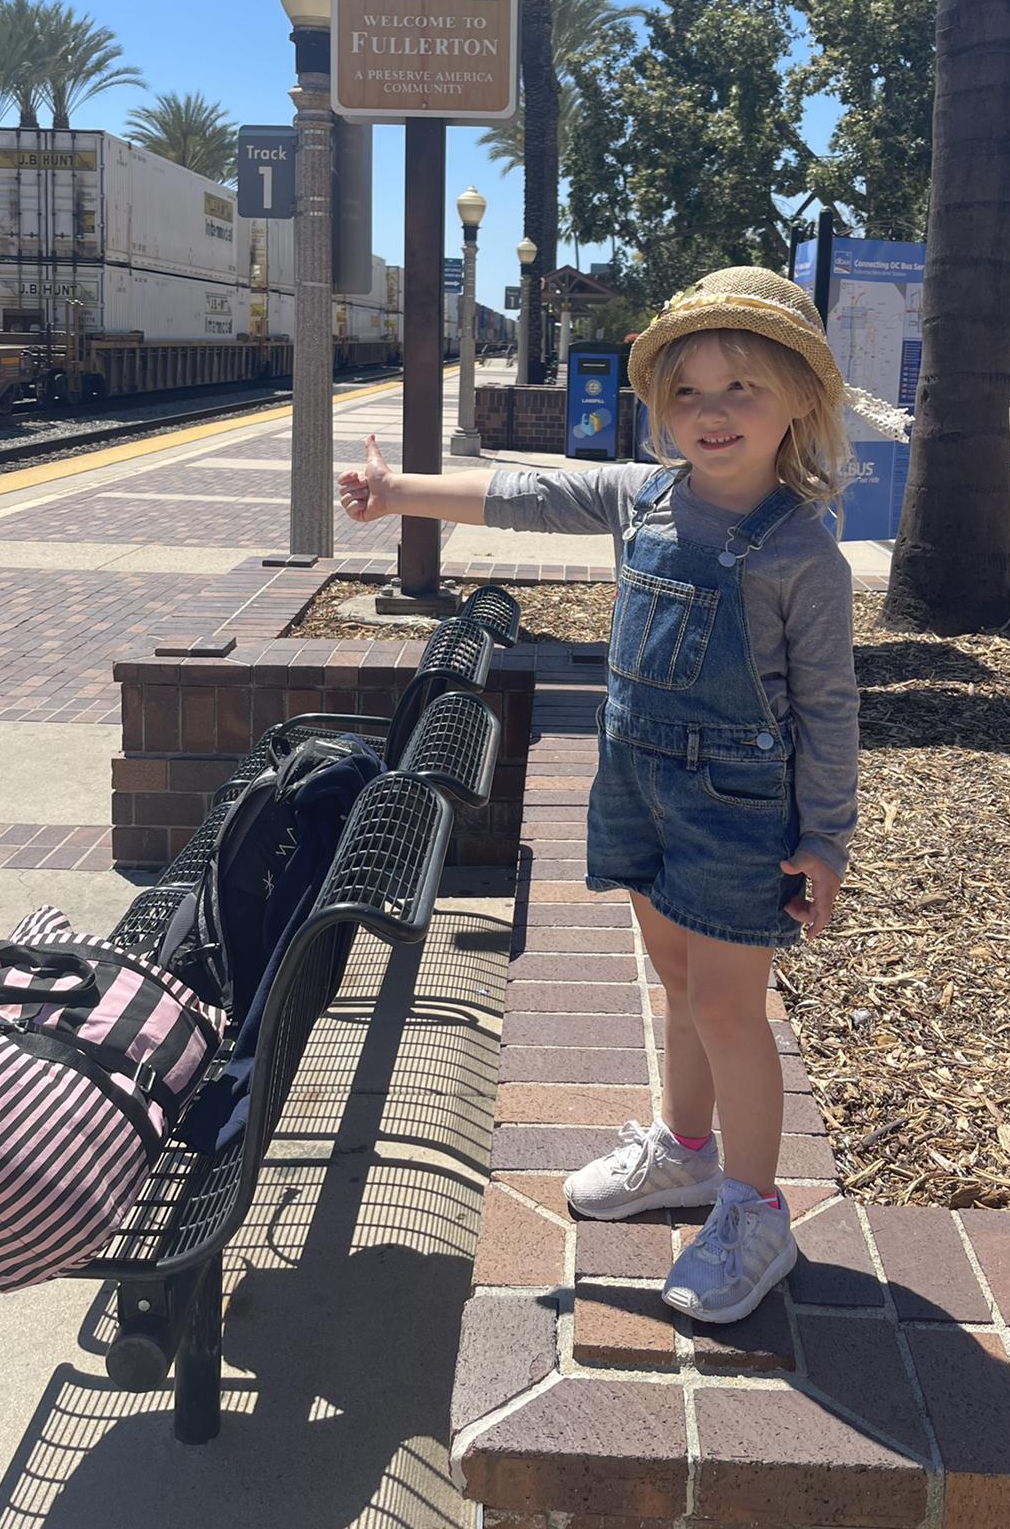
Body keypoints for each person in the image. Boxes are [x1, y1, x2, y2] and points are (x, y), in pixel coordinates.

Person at [339, 266, 867, 1324]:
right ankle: (682, 1148)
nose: (710, 415)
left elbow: (829, 703)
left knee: (728, 1004)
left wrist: (827, 838)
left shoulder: (801, 550)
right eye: (688, 393)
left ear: (800, 400)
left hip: (735, 802)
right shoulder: (645, 496)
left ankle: (757, 1208)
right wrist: (402, 495)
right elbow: (524, 495)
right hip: (636, 776)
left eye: (741, 390)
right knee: (674, 977)